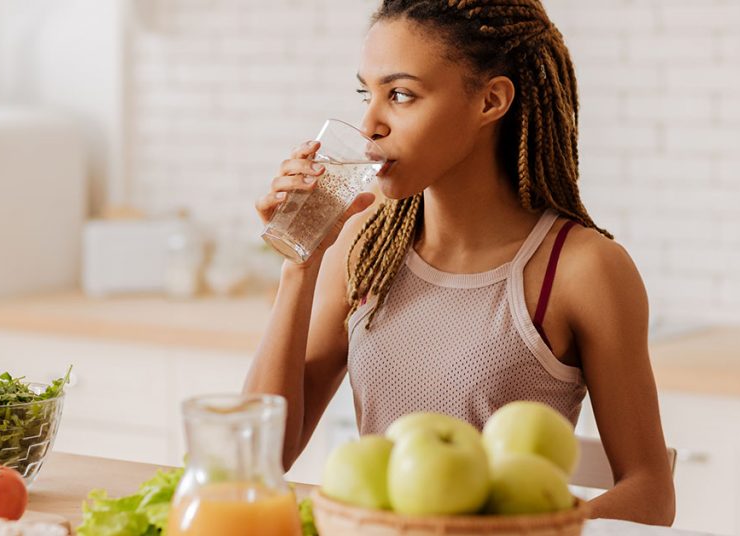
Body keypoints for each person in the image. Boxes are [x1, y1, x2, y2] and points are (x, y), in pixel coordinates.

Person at [245, 0, 675, 525]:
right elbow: (257, 461)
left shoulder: (582, 269)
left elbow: (651, 494)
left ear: (491, 100)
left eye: (401, 95)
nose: (369, 124)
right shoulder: (364, 245)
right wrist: (300, 263)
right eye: (367, 93)